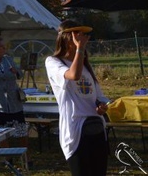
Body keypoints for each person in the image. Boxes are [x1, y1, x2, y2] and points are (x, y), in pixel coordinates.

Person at [45, 20, 109, 176]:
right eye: (77, 34)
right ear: (66, 37)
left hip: (96, 127)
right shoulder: (53, 62)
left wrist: (101, 105)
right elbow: (73, 75)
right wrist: (80, 48)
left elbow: (98, 96)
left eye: (84, 34)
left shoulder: (86, 66)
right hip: (76, 130)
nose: (82, 37)